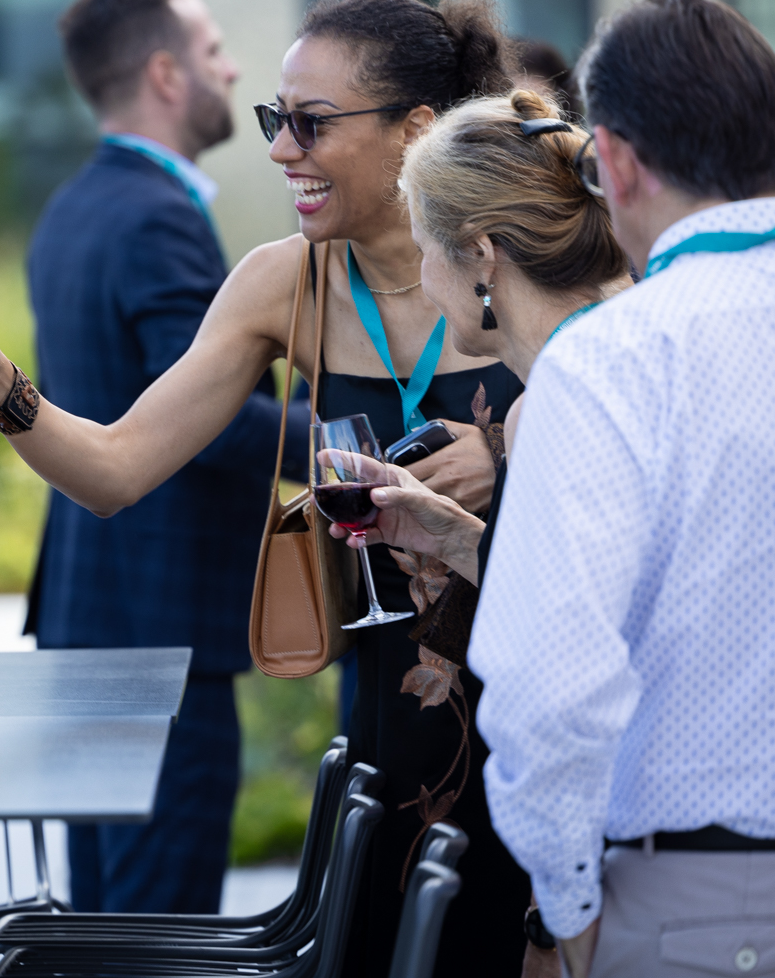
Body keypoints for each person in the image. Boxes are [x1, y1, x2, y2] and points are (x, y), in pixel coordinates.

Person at [0, 0, 534, 975]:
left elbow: (644, 452)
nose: (280, 149)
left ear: (414, 129)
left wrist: (509, 455)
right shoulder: (281, 279)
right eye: (273, 119)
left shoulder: (522, 256)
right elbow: (114, 469)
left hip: (539, 724)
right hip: (384, 736)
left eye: (310, 122)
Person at [469, 0, 775, 978]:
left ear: (616, 164)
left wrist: (566, 911)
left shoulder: (609, 359)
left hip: (709, 910)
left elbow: (545, 691)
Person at [314, 84, 631, 974]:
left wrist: (551, 921)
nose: (421, 279)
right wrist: (454, 537)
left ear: (481, 255)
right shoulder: (592, 365)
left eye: (425, 251)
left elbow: (571, 679)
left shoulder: (566, 395)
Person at [26, 0, 305, 913]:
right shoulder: (157, 216)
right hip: (158, 629)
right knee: (159, 933)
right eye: (213, 50)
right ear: (164, 74)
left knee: (105, 922)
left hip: (88, 616)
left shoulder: (71, 207)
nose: (231, 68)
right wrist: (363, 446)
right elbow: (208, 421)